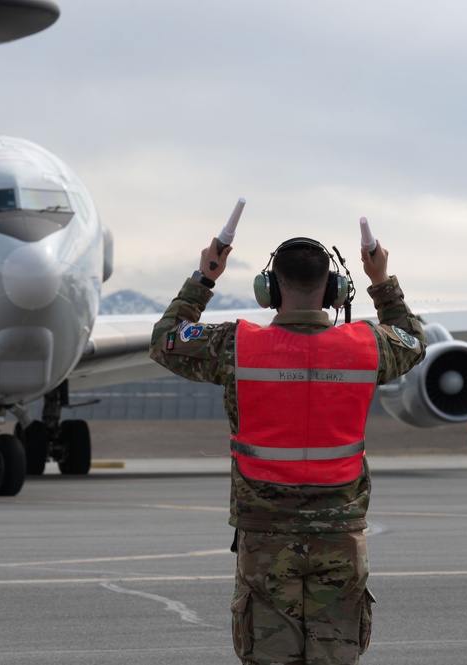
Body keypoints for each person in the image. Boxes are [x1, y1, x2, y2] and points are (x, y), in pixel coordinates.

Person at [149, 234, 427, 664]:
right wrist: (380, 279)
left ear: (271, 291)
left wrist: (204, 277)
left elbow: (166, 338)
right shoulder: (367, 346)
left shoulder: (236, 347)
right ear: (335, 291)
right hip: (340, 539)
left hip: (266, 541)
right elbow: (413, 339)